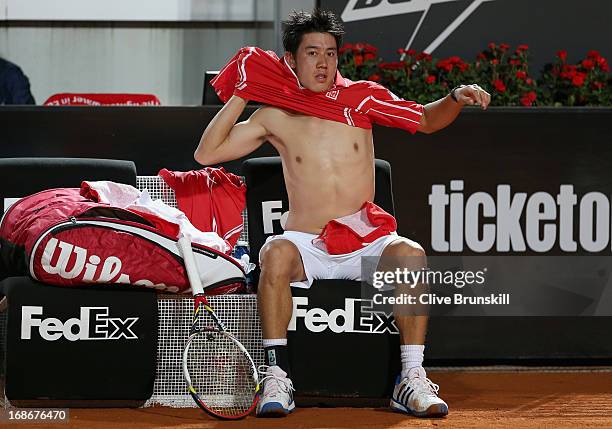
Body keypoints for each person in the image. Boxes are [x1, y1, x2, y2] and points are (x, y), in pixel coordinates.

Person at [194, 9, 490, 418]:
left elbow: (424, 120)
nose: (323, 63)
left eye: (331, 54)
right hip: (307, 243)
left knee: (411, 254)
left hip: (363, 239)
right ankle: (278, 376)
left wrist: (455, 97)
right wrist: (245, 92)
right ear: (291, 58)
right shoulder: (274, 114)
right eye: (312, 53)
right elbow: (207, 154)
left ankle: (411, 377)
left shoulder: (362, 97)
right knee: (274, 256)